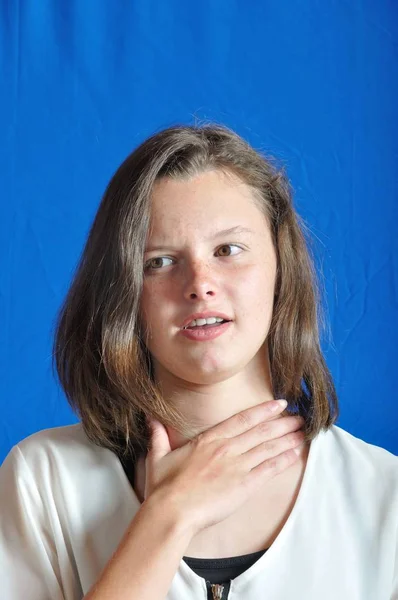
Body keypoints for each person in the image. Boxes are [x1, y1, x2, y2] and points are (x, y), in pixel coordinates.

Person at [0, 124, 397, 600]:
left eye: (228, 250)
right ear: (123, 293)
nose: (200, 283)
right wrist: (169, 513)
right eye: (160, 262)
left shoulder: (384, 497)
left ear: (281, 268)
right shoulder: (41, 480)